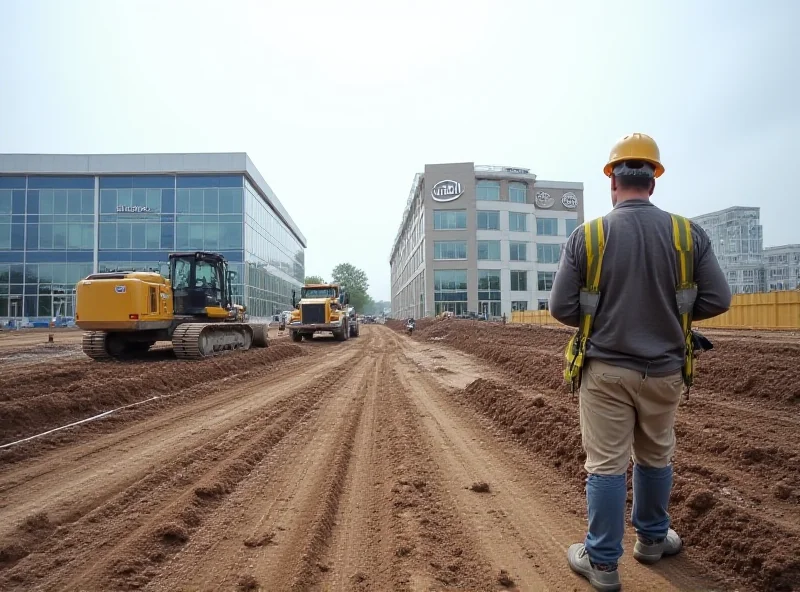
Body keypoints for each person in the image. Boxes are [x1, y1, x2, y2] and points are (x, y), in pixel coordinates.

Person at [549, 133, 731, 591]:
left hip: (606, 371)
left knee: (606, 465)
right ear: (653, 182)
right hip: (667, 370)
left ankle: (603, 563)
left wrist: (602, 315)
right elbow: (718, 298)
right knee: (655, 455)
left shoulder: (587, 235)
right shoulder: (687, 235)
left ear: (614, 182)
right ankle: (652, 539)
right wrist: (673, 314)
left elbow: (560, 308)